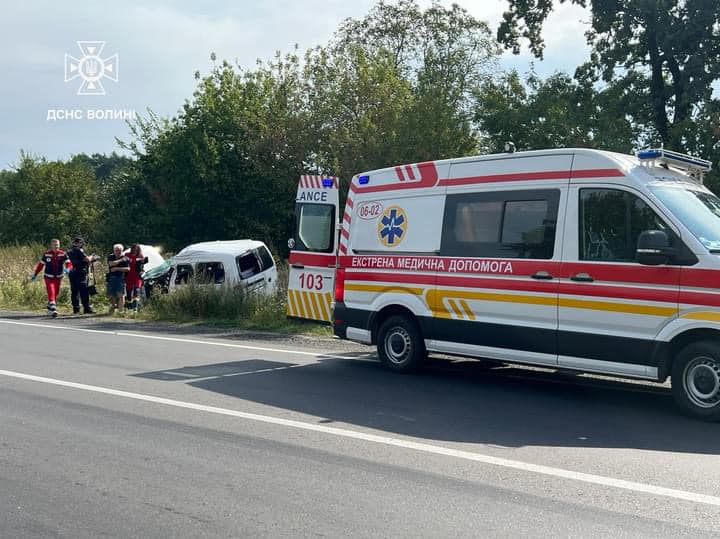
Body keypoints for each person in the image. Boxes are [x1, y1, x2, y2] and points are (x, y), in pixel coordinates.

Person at [31, 238, 72, 317]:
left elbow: (69, 263)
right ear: (51, 245)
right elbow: (41, 265)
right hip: (48, 276)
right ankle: (53, 306)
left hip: (58, 276)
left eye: (57, 245)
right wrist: (35, 274)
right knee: (51, 289)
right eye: (54, 245)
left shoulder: (63, 254)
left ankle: (50, 309)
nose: (56, 246)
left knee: (56, 292)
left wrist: (68, 269)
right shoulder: (47, 254)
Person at [67, 236, 100, 314]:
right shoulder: (79, 250)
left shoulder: (69, 251)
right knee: (84, 291)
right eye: (80, 243)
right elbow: (87, 260)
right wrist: (93, 257)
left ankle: (76, 309)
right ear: (80, 243)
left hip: (72, 273)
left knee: (74, 291)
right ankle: (86, 308)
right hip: (80, 273)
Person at [106, 243, 130, 314]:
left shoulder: (125, 258)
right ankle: (113, 307)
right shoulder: (111, 256)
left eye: (119, 250)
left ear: (122, 251)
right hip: (111, 278)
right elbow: (111, 264)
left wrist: (117, 268)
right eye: (116, 250)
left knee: (121, 295)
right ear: (114, 250)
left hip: (120, 278)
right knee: (111, 295)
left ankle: (121, 312)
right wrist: (121, 260)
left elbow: (128, 269)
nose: (118, 252)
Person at [124, 244, 147, 312]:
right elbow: (124, 262)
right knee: (128, 293)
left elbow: (142, 266)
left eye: (136, 249)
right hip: (128, 276)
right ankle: (129, 307)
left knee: (136, 291)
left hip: (137, 277)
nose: (135, 250)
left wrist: (142, 263)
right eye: (133, 249)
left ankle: (135, 308)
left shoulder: (140, 256)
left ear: (138, 250)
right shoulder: (127, 254)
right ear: (132, 249)